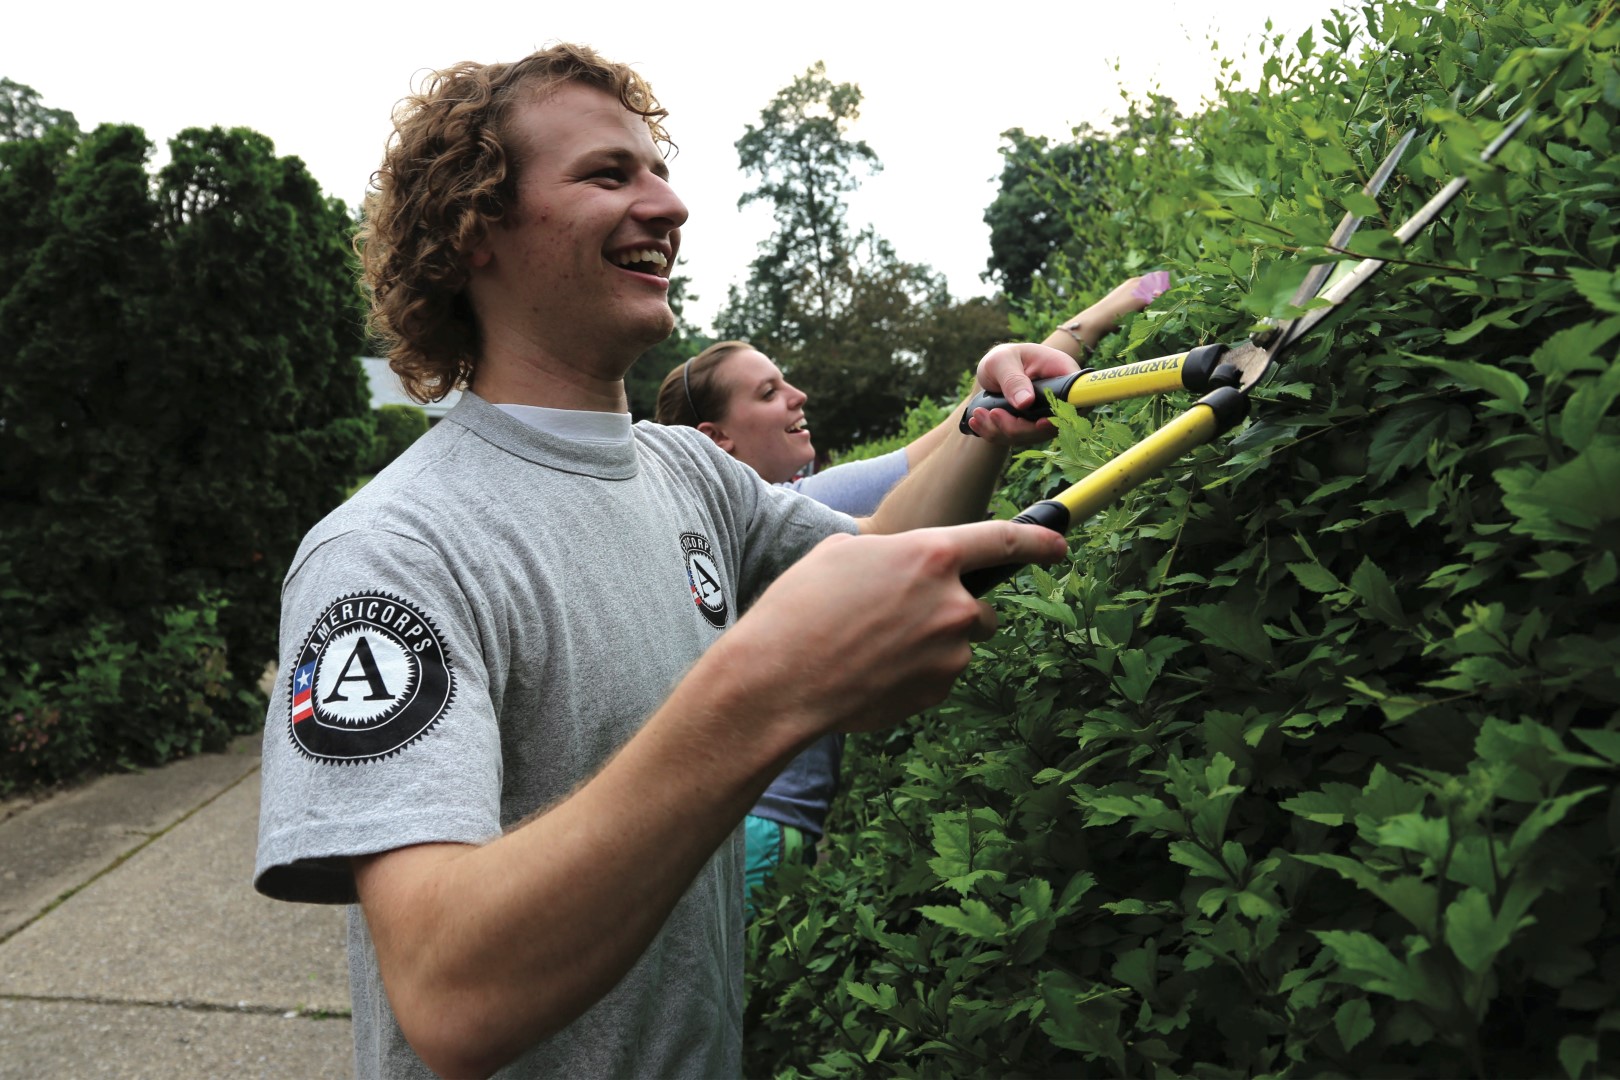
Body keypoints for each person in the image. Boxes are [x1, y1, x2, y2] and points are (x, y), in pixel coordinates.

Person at [253, 43, 1073, 1079]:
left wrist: (981, 426)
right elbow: (448, 993)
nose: (670, 204)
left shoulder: (689, 470)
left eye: (657, 169)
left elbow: (880, 572)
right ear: (472, 234)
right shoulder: (389, 554)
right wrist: (762, 689)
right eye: (609, 174)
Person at [653, 274, 1168, 913]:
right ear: (715, 440)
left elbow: (967, 426)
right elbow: (956, 436)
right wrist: (1109, 308)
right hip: (761, 827)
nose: (798, 395)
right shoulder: (795, 510)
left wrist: (1054, 347)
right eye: (768, 392)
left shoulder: (773, 520)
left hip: (759, 824)